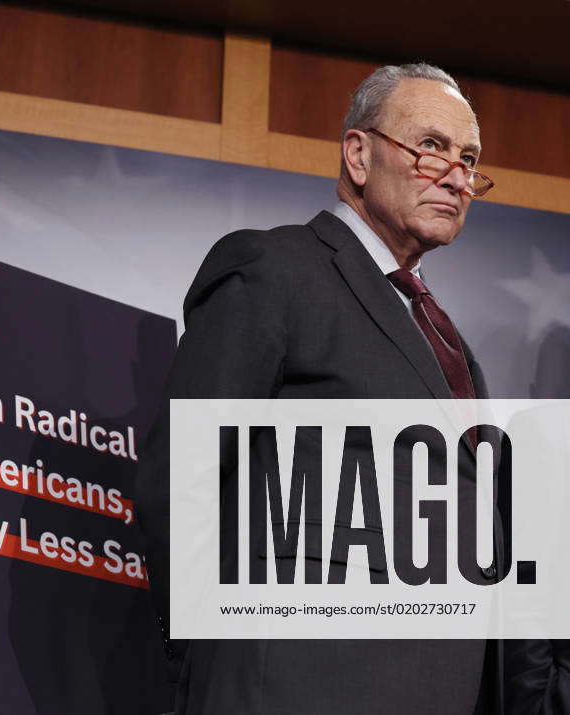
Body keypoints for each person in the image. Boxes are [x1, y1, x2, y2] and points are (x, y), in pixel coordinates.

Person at [135, 63, 504, 714]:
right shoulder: (276, 268)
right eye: (431, 147)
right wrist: (206, 663)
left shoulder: (451, 344)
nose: (455, 174)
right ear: (359, 155)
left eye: (469, 159)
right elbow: (180, 476)